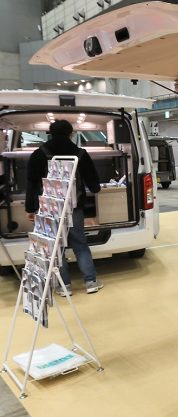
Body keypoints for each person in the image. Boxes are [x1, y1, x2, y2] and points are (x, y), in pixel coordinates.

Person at [25, 120, 103, 296]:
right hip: (74, 207)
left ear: (50, 133)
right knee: (80, 244)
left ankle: (64, 286)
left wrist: (31, 208)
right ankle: (90, 282)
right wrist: (95, 188)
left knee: (57, 248)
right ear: (71, 134)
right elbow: (94, 183)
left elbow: (31, 183)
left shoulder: (39, 154)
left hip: (49, 209)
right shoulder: (80, 153)